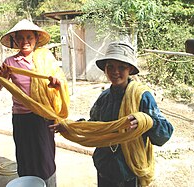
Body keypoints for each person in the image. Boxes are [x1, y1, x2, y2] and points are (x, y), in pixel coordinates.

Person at [50, 41, 174, 187]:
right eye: (111, 67)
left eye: (121, 67)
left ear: (130, 70)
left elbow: (165, 133)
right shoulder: (104, 97)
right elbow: (94, 126)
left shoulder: (142, 97)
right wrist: (70, 127)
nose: (115, 72)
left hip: (129, 171)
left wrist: (146, 121)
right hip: (105, 167)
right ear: (105, 69)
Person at [0, 19, 69, 187]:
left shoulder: (45, 58)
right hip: (21, 118)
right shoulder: (10, 63)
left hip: (43, 116)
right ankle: (27, 183)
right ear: (15, 40)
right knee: (25, 156)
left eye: (29, 37)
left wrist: (55, 84)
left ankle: (49, 184)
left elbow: (59, 81)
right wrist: (1, 77)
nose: (25, 41)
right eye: (20, 38)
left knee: (45, 157)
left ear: (36, 39)